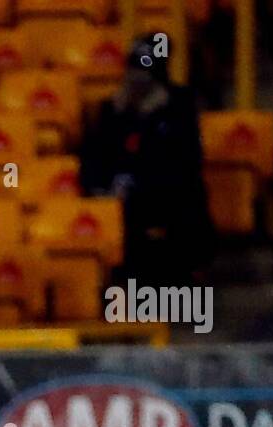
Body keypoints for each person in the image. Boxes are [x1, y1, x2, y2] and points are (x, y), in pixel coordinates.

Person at [79, 36, 213, 286]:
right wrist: (101, 190)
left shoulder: (179, 107)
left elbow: (184, 164)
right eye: (133, 70)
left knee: (179, 207)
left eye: (144, 71)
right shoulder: (112, 110)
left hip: (165, 198)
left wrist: (151, 119)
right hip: (116, 201)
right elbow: (92, 160)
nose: (136, 79)